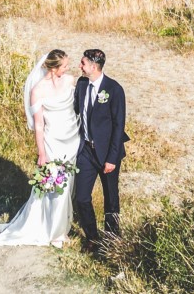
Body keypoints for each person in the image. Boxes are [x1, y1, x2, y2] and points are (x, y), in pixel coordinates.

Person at [0, 49, 80, 248]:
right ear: (54, 68)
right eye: (64, 65)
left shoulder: (70, 81)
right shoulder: (37, 90)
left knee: (69, 184)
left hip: (72, 139)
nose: (67, 68)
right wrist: (41, 152)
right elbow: (39, 124)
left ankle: (61, 226)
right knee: (56, 186)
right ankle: (55, 233)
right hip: (52, 141)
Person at [72, 48, 128, 250]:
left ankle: (112, 239)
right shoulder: (81, 84)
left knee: (111, 198)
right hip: (86, 151)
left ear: (93, 67)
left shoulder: (114, 89)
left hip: (107, 153)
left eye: (83, 63)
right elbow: (75, 111)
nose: (80, 66)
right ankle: (92, 237)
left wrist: (112, 158)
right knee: (82, 197)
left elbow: (118, 125)